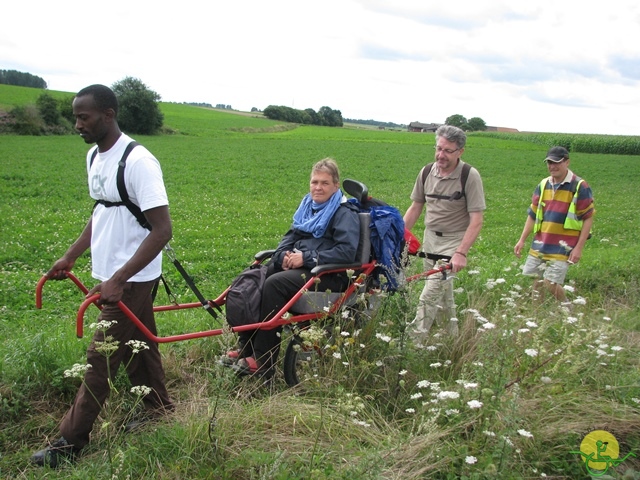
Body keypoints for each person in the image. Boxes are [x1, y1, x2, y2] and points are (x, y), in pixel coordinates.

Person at [31, 85, 174, 468]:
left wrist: (121, 278)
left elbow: (162, 230)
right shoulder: (94, 155)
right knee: (139, 347)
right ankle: (159, 409)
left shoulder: (139, 161)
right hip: (111, 273)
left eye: (84, 117)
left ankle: (69, 441)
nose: (77, 124)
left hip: (134, 276)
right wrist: (70, 257)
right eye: (75, 116)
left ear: (108, 115)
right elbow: (103, 212)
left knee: (101, 357)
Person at [225, 158, 360, 379]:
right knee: (254, 279)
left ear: (336, 186)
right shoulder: (307, 211)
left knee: (274, 284)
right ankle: (247, 346)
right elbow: (287, 241)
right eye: (314, 182)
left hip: (328, 275)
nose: (318, 187)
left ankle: (263, 360)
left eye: (325, 183)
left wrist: (305, 258)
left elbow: (347, 252)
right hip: (303, 269)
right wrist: (283, 257)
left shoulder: (344, 214)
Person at [403, 125, 485, 340]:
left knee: (429, 295)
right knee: (442, 295)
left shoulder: (469, 176)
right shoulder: (426, 172)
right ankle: (452, 340)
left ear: (460, 152)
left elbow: (476, 220)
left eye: (448, 151)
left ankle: (412, 343)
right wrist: (398, 236)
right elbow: (415, 207)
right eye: (438, 149)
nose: (441, 155)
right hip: (430, 240)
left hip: (453, 242)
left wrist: (461, 252)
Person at [514, 146, 595, 302]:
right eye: (549, 162)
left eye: (557, 162)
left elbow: (588, 217)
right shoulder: (543, 184)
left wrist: (578, 248)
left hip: (563, 246)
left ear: (567, 162)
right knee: (535, 283)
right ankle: (535, 316)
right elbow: (533, 214)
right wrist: (522, 239)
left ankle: (567, 311)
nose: (552, 166)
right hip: (540, 243)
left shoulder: (579, 186)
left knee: (550, 283)